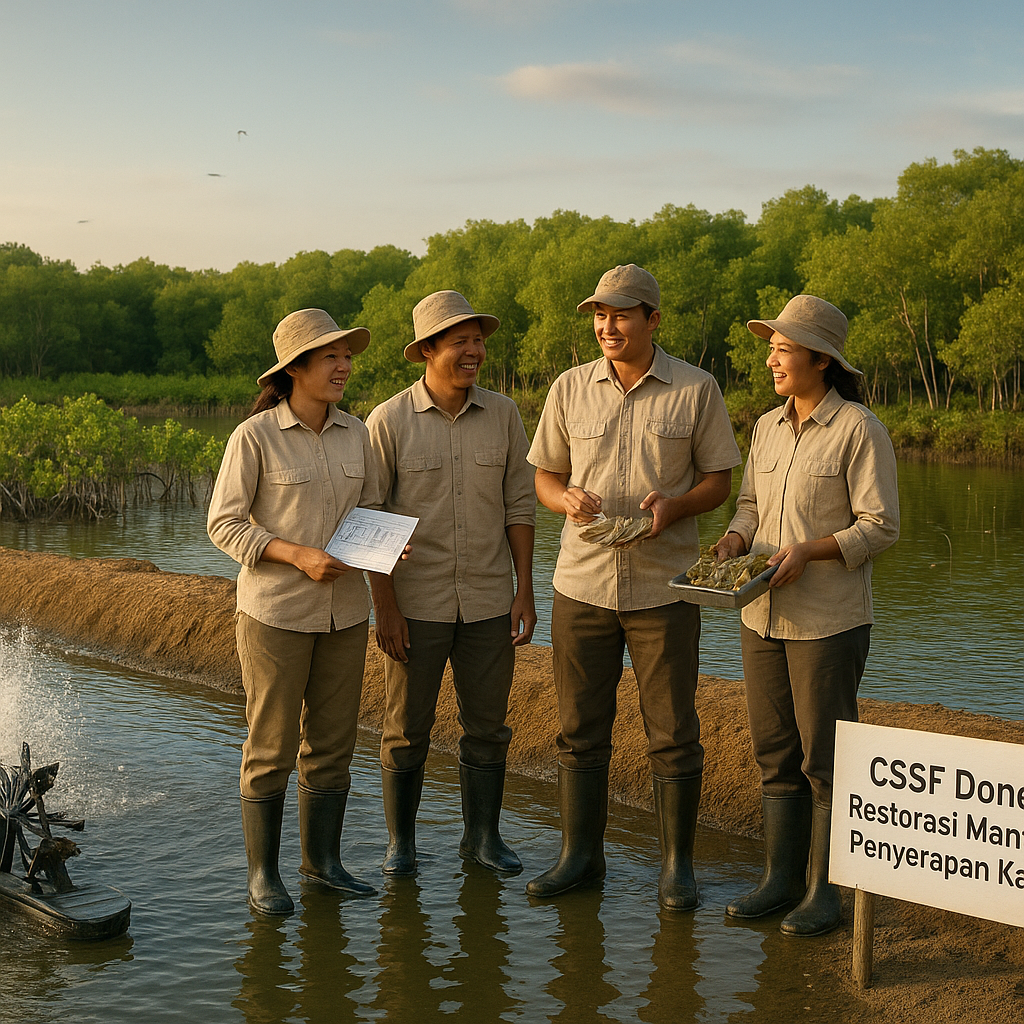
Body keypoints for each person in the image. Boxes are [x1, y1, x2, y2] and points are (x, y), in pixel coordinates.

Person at [525, 264, 741, 910]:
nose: (607, 326)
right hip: (581, 585)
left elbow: (719, 481)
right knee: (578, 728)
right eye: (599, 315)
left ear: (653, 320)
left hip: (663, 590)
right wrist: (563, 498)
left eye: (621, 314)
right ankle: (580, 857)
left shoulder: (696, 388)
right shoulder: (569, 387)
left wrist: (675, 507)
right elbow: (544, 477)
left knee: (672, 731)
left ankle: (677, 867)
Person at [715, 295, 899, 936]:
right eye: (771, 348)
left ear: (821, 359)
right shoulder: (766, 427)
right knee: (775, 753)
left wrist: (810, 550)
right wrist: (735, 538)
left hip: (828, 621)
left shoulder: (859, 429)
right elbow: (749, 503)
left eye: (783, 349)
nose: (771, 360)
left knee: (826, 759)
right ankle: (780, 880)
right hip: (760, 612)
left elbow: (880, 526)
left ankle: (826, 892)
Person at [208, 308, 378, 915]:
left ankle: (322, 864)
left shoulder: (358, 433)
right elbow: (224, 524)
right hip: (275, 613)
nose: (344, 365)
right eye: (331, 356)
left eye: (346, 355)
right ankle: (263, 875)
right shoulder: (253, 437)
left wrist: (383, 543)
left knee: (333, 745)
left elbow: (369, 511)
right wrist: (297, 554)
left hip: (346, 614)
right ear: (295, 369)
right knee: (271, 746)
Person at [365, 290, 536, 877]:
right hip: (416, 603)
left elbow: (519, 506)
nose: (474, 352)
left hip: (488, 599)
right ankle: (401, 844)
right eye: (460, 341)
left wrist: (524, 590)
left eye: (478, 341)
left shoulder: (505, 415)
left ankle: (482, 838)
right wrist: (385, 607)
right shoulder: (388, 421)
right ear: (427, 351)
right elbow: (370, 519)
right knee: (405, 729)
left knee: (488, 727)